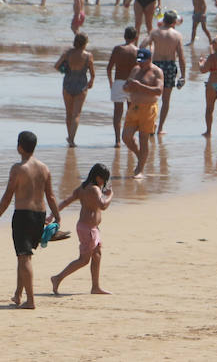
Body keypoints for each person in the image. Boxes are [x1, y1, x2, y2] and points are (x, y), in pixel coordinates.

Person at [0, 130, 62, 310]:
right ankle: (18, 294)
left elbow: (8, 196)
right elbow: (51, 196)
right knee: (25, 256)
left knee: (24, 258)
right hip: (40, 215)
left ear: (19, 147)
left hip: (23, 215)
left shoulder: (18, 169)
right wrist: (57, 216)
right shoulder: (44, 168)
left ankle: (30, 301)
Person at [50, 163, 113, 295]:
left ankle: (95, 287)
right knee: (84, 260)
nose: (104, 183)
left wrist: (52, 215)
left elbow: (66, 201)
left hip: (91, 228)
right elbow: (103, 206)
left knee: (97, 255)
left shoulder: (82, 188)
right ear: (97, 177)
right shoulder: (94, 189)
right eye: (104, 179)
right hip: (87, 229)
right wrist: (110, 195)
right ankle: (57, 278)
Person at [122, 49, 164, 178]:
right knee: (126, 136)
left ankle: (139, 169)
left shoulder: (157, 72)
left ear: (150, 59)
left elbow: (158, 91)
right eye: (139, 61)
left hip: (148, 108)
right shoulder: (135, 70)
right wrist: (128, 87)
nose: (140, 64)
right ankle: (140, 156)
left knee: (143, 138)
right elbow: (125, 86)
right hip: (134, 107)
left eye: (143, 62)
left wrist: (140, 86)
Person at [54, 33, 94, 148]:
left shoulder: (68, 53)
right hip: (81, 85)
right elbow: (92, 73)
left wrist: (64, 70)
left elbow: (56, 65)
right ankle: (71, 138)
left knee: (68, 113)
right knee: (76, 114)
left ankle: (70, 137)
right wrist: (91, 81)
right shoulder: (88, 56)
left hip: (67, 83)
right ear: (85, 43)